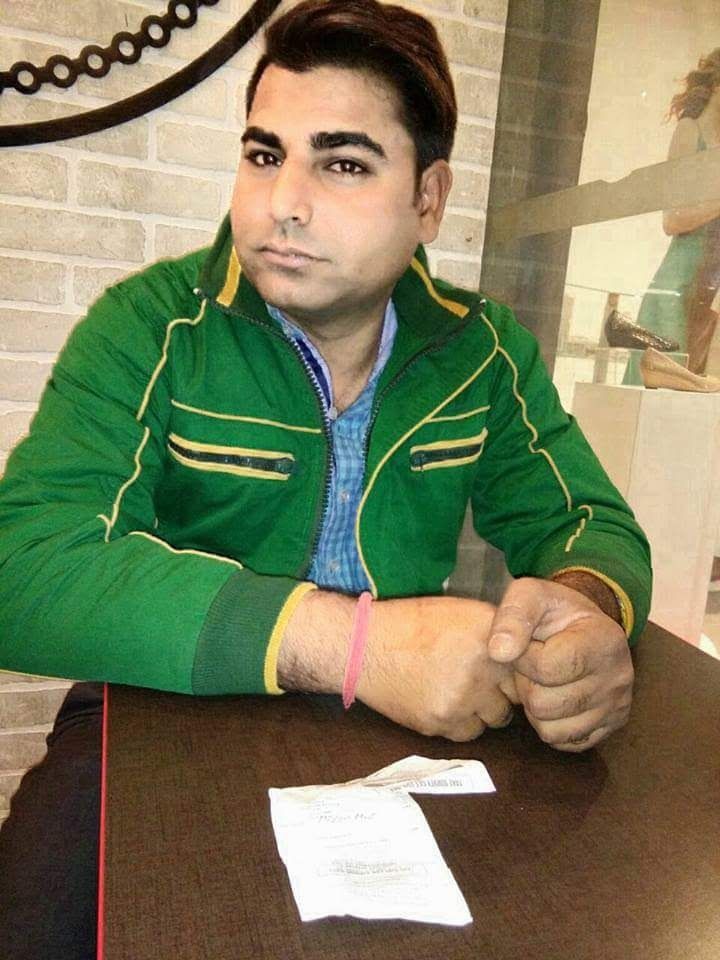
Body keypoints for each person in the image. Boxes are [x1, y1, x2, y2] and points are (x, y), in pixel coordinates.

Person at [0, 1, 650, 956]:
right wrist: (352, 645)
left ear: (430, 198)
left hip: (407, 745)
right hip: (160, 713)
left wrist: (585, 613)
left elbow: (590, 521)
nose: (284, 202)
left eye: (343, 164)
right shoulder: (151, 326)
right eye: (264, 155)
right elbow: (23, 569)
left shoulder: (481, 351)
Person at [624, 47, 720, 385]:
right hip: (675, 289)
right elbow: (672, 220)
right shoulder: (690, 132)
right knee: (659, 394)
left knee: (691, 399)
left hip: (706, 290)